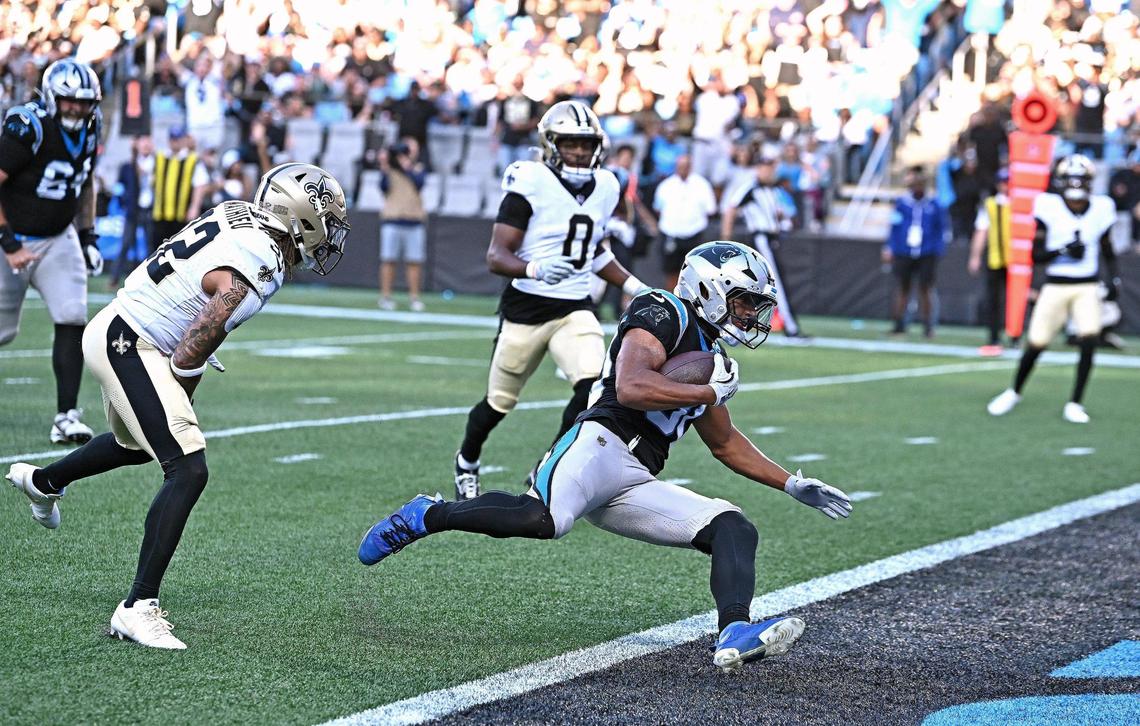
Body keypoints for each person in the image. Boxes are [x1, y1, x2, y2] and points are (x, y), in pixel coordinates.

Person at [360, 241, 853, 673]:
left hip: (637, 477)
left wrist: (790, 483)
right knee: (543, 518)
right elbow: (633, 386)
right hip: (598, 442)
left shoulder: (712, 358)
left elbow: (723, 442)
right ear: (709, 288)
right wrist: (704, 393)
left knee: (734, 526)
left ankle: (734, 631)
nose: (751, 314)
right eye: (744, 301)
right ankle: (426, 515)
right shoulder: (664, 310)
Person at [6, 163, 350, 649]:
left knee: (136, 444)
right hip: (132, 342)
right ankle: (137, 607)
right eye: (327, 222)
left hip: (123, 325)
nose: (330, 236)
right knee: (187, 465)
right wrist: (181, 394)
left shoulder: (241, 216)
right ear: (300, 217)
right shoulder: (263, 259)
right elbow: (192, 346)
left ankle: (43, 482)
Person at [452, 101, 647, 500]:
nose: (578, 151)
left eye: (585, 143)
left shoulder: (608, 186)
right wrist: (534, 270)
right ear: (551, 144)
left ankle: (549, 461)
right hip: (526, 308)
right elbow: (496, 255)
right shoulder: (531, 180)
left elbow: (594, 252)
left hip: (574, 305)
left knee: (593, 384)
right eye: (570, 143)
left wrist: (633, 286)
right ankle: (467, 460)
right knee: (498, 402)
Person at [0, 59, 103, 445]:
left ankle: (66, 415)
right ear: (51, 97)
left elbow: (86, 181)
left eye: (84, 101)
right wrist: (8, 242)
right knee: (4, 332)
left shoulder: (93, 126)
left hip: (58, 236)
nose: (77, 108)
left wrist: (88, 235)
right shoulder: (29, 127)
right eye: (69, 100)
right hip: (10, 236)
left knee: (73, 315)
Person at [987, 155, 1119, 424]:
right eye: (1071, 179)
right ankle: (1014, 391)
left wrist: (1114, 279)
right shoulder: (1048, 207)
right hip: (1056, 284)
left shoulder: (1102, 209)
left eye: (1080, 179)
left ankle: (1075, 403)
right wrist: (1063, 251)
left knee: (1089, 340)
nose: (1075, 184)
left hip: (1086, 285)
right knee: (1036, 343)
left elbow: (1107, 249)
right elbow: (1037, 255)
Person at [721, 156, 807, 339]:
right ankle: (791, 327)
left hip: (772, 238)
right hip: (760, 239)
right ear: (758, 168)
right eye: (766, 168)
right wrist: (725, 238)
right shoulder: (750, 188)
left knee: (753, 285)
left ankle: (732, 321)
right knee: (776, 283)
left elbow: (776, 212)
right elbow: (731, 209)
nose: (770, 172)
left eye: (772, 168)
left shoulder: (773, 189)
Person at [883, 166, 949, 338]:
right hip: (904, 251)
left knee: (925, 289)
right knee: (903, 288)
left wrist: (937, 249)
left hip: (927, 252)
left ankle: (928, 326)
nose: (917, 189)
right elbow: (894, 227)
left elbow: (941, 229)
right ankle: (899, 324)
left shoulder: (934, 205)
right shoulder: (902, 204)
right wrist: (890, 247)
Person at [377, 137, 427, 312]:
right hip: (393, 218)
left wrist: (407, 166)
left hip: (414, 219)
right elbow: (383, 187)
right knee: (388, 260)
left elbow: (419, 183)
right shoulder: (389, 170)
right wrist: (384, 165)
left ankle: (414, 297)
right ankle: (386, 296)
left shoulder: (418, 168)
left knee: (414, 261)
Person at [654, 154, 716, 292]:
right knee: (671, 272)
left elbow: (711, 210)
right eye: (680, 166)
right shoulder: (666, 186)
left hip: (694, 234)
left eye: (686, 166)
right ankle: (672, 301)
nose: (683, 169)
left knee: (695, 273)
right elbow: (658, 209)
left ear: (690, 167)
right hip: (671, 234)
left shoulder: (702, 185)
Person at [968, 167, 1012, 354]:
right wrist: (975, 256)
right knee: (993, 300)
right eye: (1003, 182)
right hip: (995, 257)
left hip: (1016, 260)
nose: (1006, 185)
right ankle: (994, 337)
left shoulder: (1022, 204)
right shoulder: (990, 204)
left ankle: (1015, 335)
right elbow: (981, 231)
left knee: (1013, 300)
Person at [152, 125, 210, 249]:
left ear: (184, 140)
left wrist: (194, 207)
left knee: (179, 250)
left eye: (178, 139)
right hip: (160, 213)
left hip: (181, 213)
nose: (175, 142)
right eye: (173, 139)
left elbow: (200, 185)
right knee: (157, 250)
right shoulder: (160, 157)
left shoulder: (193, 159)